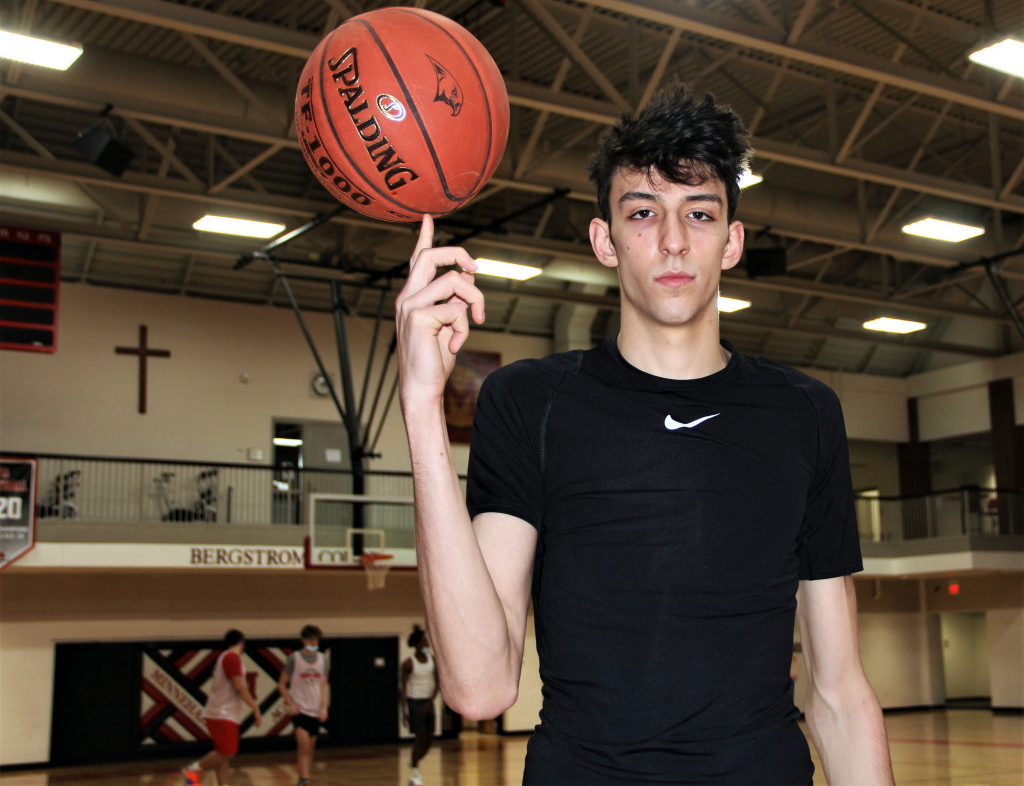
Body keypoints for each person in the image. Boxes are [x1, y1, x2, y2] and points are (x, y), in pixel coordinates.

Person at [394, 83, 895, 784]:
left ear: (732, 241)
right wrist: (421, 404)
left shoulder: (804, 414)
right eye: (642, 211)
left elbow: (840, 693)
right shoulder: (530, 402)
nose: (671, 239)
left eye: (699, 212)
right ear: (604, 239)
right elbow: (480, 686)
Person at [182, 629, 263, 786]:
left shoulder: (225, 657)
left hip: (221, 712)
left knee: (222, 754)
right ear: (241, 642)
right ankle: (192, 770)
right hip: (223, 713)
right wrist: (255, 708)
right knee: (227, 752)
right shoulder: (232, 657)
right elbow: (239, 686)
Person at [278, 624, 329, 786]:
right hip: (300, 709)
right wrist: (291, 703)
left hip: (315, 709)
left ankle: (305, 776)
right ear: (304, 640)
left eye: (316, 640)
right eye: (311, 640)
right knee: (304, 746)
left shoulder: (322, 659)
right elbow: (281, 685)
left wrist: (324, 707)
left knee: (311, 749)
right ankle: (304, 778)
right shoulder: (294, 658)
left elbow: (323, 685)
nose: (314, 643)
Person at [400, 624, 440, 786]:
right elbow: (402, 689)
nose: (428, 644)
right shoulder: (408, 663)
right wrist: (404, 712)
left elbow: (438, 684)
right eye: (425, 642)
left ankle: (414, 759)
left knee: (429, 739)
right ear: (418, 645)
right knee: (420, 737)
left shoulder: (432, 660)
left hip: (428, 701)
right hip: (414, 702)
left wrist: (430, 703)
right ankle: (415, 774)